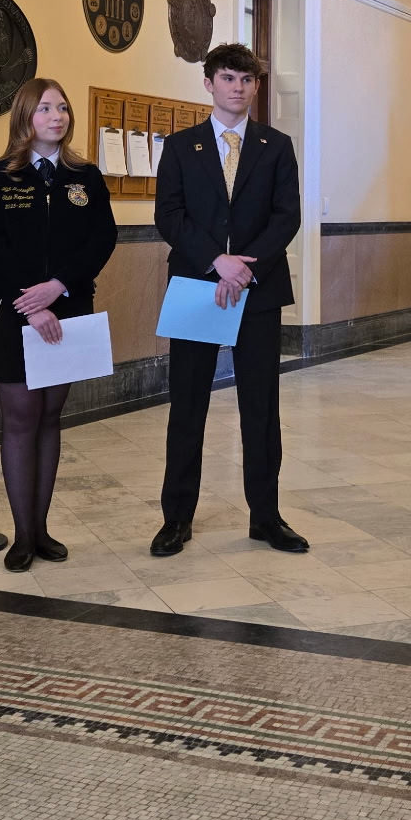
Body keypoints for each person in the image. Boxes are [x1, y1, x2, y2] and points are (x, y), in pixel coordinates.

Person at [150, 42, 307, 559]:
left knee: (260, 409)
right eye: (228, 78)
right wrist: (217, 261)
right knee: (187, 406)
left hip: (257, 292)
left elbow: (286, 216)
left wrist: (245, 269)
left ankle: (266, 518)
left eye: (246, 79)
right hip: (198, 287)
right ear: (209, 84)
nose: (237, 87)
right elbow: (169, 215)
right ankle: (176, 519)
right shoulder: (181, 146)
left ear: (256, 87)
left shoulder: (276, 145)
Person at [0, 77, 117, 572]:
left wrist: (57, 287)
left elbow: (101, 239)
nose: (57, 117)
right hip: (12, 312)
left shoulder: (85, 177)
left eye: (63, 108)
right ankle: (21, 536)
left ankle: (41, 529)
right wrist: (31, 304)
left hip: (69, 307)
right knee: (21, 418)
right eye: (45, 109)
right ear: (25, 117)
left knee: (51, 417)